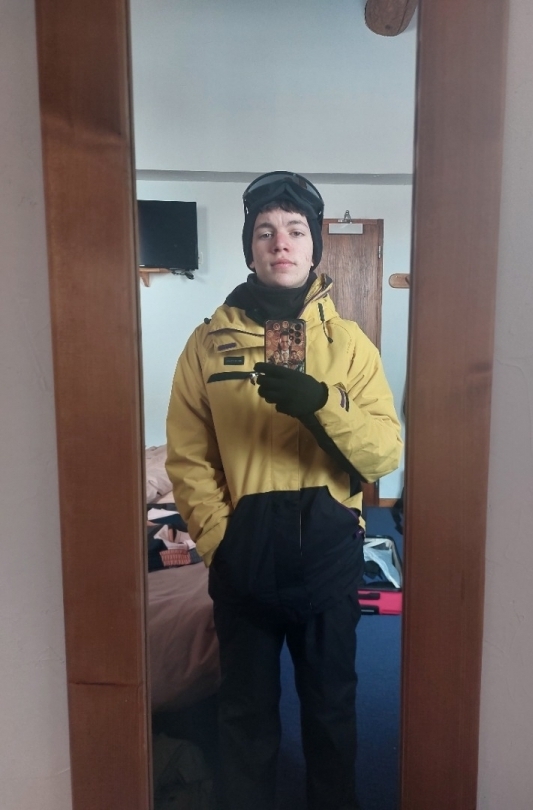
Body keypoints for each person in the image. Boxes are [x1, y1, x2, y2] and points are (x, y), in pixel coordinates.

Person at [165, 171, 403, 810]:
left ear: (314, 246)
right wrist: (218, 542)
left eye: (296, 230)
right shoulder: (206, 345)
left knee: (332, 711)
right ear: (250, 248)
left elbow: (384, 453)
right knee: (244, 717)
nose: (281, 243)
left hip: (328, 559)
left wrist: (323, 403)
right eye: (265, 231)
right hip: (243, 563)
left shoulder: (350, 346)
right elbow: (188, 458)